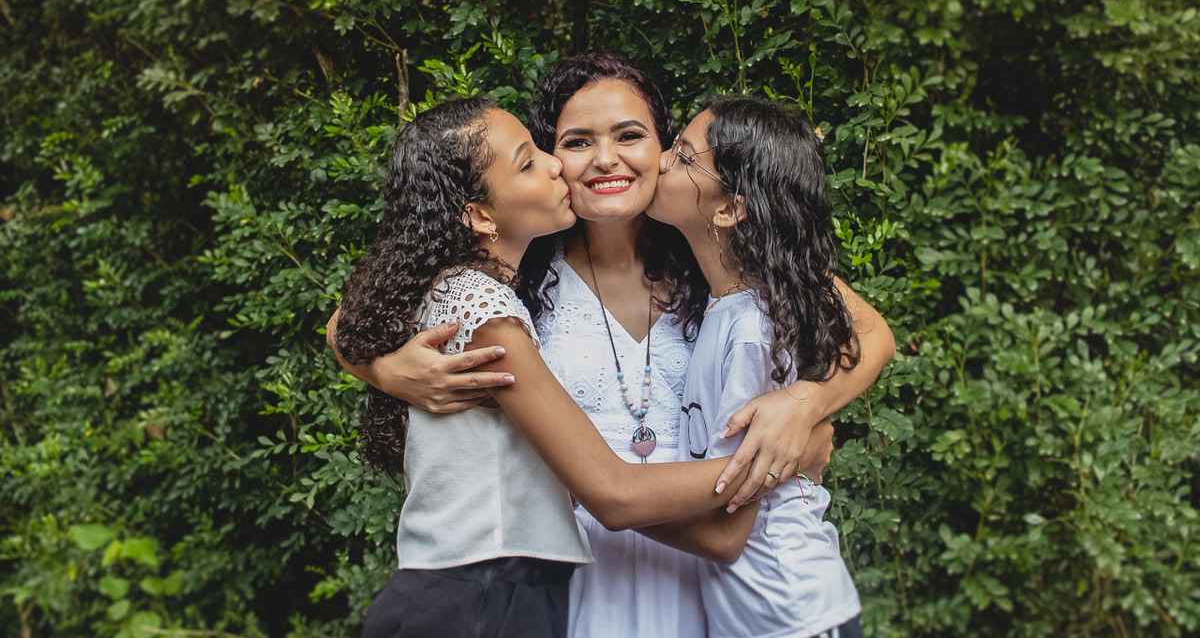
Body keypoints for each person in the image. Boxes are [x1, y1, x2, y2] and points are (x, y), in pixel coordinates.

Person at [329, 52, 895, 638]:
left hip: (707, 573)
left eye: (630, 135)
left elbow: (873, 334)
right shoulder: (517, 267)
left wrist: (805, 404)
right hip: (571, 575)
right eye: (576, 142)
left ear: (663, 149)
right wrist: (388, 371)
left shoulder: (721, 256)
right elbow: (359, 313)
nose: (606, 159)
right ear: (551, 157)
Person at [642, 96, 887, 638]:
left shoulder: (750, 329)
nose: (660, 159)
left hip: (788, 611)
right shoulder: (736, 306)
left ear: (729, 209)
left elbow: (730, 516)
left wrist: (595, 502)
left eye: (683, 156)